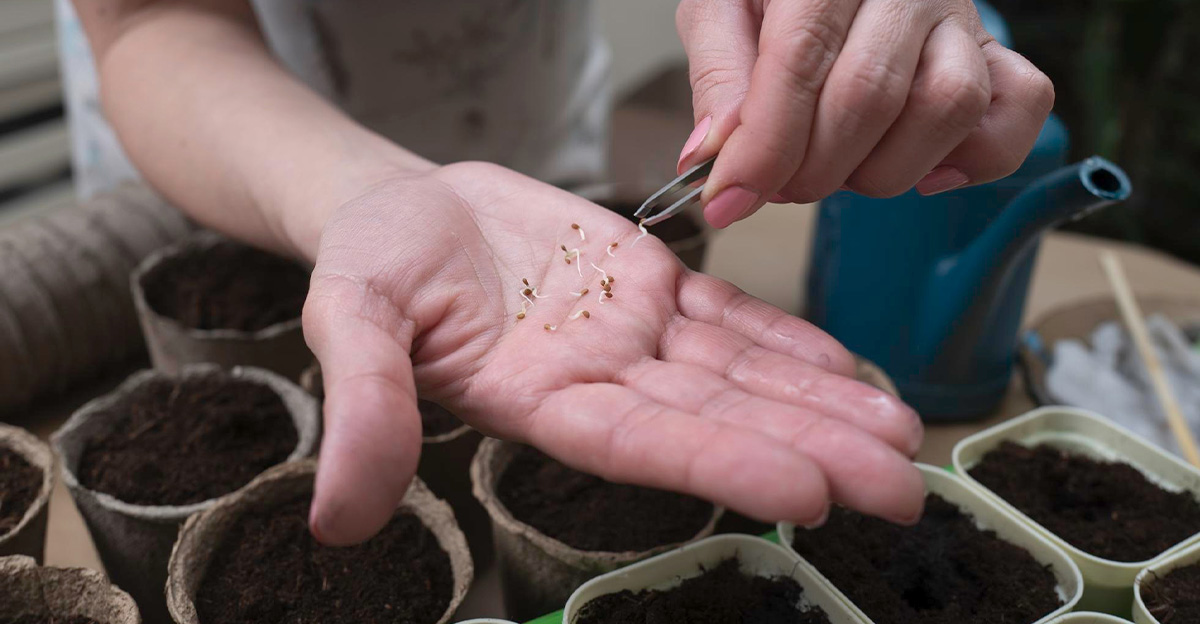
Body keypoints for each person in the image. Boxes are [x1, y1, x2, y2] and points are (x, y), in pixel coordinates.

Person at [66, 0, 1052, 546]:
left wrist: (834, 27)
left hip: (526, 155)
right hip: (236, 141)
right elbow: (150, 17)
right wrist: (360, 191)